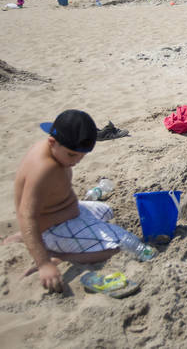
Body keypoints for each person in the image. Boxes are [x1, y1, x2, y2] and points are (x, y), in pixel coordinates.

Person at [6, 110, 132, 292]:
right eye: (72, 155)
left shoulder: (55, 152)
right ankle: (60, 255)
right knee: (120, 246)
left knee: (106, 210)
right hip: (53, 227)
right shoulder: (44, 169)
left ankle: (24, 237)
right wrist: (44, 264)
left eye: (82, 156)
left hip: (68, 214)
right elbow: (27, 216)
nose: (77, 161)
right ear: (52, 142)